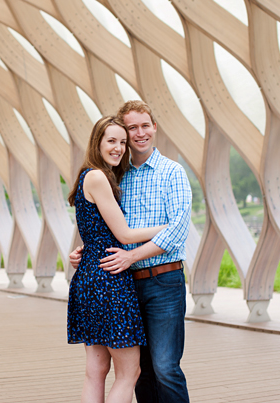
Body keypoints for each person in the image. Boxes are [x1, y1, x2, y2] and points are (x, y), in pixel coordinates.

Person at [70, 100, 191, 403]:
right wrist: (90, 248)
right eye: (128, 131)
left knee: (164, 367)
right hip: (122, 282)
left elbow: (177, 232)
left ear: (154, 128)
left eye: (144, 126)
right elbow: (116, 230)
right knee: (140, 372)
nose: (137, 135)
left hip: (162, 281)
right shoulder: (115, 175)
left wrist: (128, 255)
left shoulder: (172, 173)